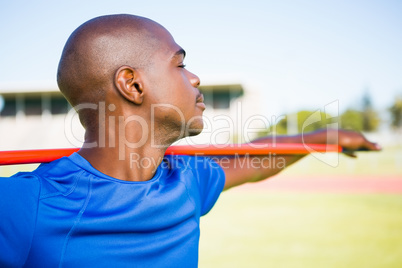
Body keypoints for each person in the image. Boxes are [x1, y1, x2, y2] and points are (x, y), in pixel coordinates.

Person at [0, 14, 380, 267]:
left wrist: (321, 137)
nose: (195, 77)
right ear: (132, 85)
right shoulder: (25, 204)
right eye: (179, 64)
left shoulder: (184, 180)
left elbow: (255, 162)